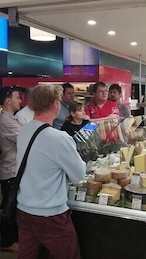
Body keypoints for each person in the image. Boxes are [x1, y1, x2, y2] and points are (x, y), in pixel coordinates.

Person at [16, 84, 86, 259]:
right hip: (51, 214)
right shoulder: (59, 138)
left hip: (24, 209)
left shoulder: (24, 131)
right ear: (56, 104)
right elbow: (78, 175)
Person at [0, 85, 23, 253]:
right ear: (8, 100)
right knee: (9, 208)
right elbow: (25, 138)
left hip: (15, 169)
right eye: (17, 97)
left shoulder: (11, 118)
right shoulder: (6, 120)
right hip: (10, 170)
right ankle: (7, 241)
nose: (20, 101)